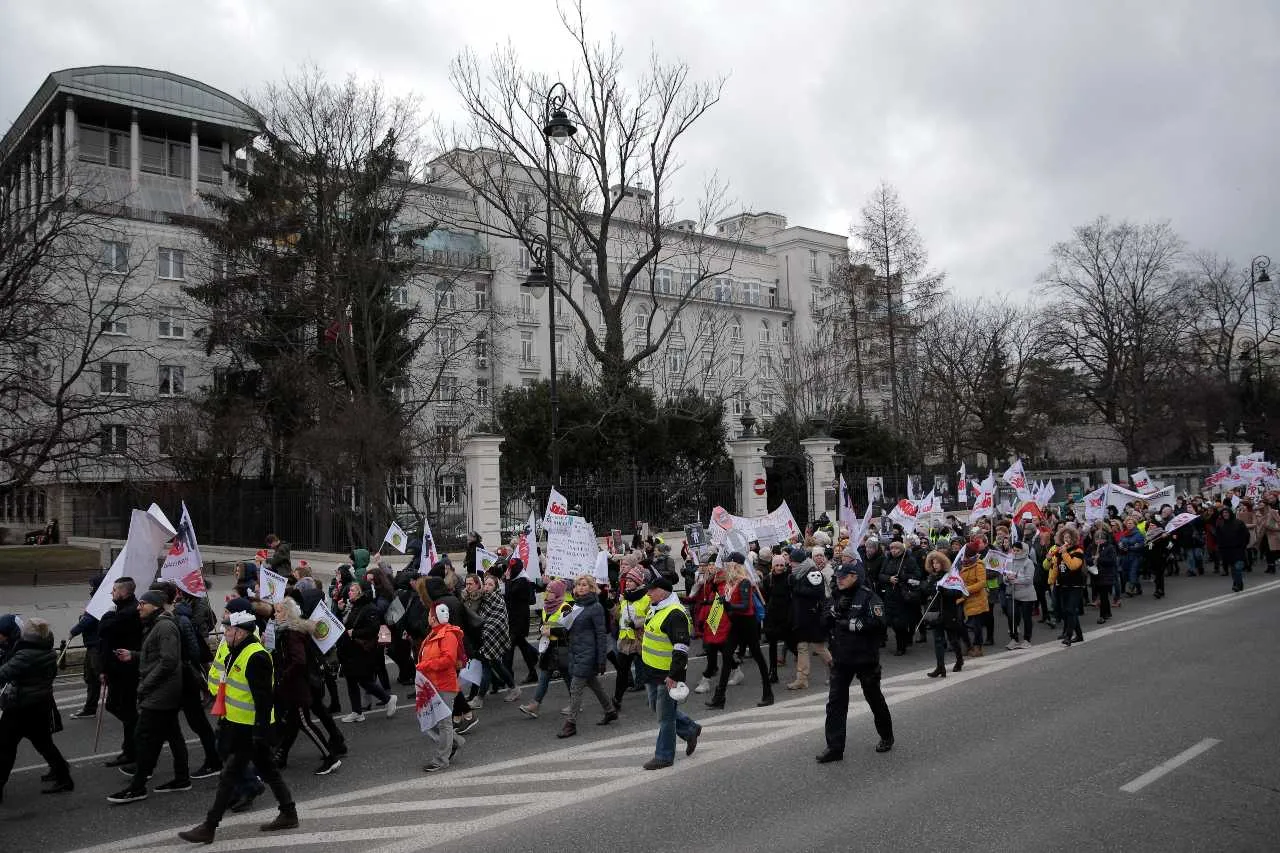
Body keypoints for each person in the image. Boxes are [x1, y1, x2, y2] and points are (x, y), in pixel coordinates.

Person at [177, 608, 297, 843]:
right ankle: (289, 812)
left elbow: (264, 699)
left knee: (229, 775)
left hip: (250, 729)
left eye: (229, 629)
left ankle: (209, 826)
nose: (225, 632)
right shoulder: (235, 650)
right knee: (269, 771)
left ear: (241, 632)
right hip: (238, 725)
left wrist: (261, 732)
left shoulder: (255, 656)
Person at [816, 560, 893, 762]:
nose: (840, 580)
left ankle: (886, 736)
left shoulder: (868, 596)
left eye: (844, 576)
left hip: (865, 657)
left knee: (874, 698)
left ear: (854, 576)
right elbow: (823, 621)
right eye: (838, 576)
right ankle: (834, 747)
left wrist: (853, 624)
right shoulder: (835, 595)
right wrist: (833, 612)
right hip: (841, 658)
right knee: (835, 703)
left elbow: (880, 622)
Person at [0, 618, 73, 801]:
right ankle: (64, 777)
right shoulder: (47, 651)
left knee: (5, 747)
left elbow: (4, 674)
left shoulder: (25, 654)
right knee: (44, 744)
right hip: (39, 705)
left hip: (20, 707)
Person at [271, 598, 342, 776]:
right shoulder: (285, 632)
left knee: (305, 723)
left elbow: (299, 661)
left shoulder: (292, 633)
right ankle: (280, 756)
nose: (275, 614)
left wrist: (283, 676)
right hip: (293, 687)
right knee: (293, 724)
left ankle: (330, 757)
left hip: (297, 688)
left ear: (287, 613)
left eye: (278, 611)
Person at [639, 569, 701, 770]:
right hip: (651, 670)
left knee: (665, 717)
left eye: (652, 590)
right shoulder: (656, 606)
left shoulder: (675, 614)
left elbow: (681, 648)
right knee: (656, 707)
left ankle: (664, 756)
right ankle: (690, 728)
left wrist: (674, 676)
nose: (648, 593)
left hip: (667, 674)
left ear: (664, 592)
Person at [705, 556, 772, 709]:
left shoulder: (744, 582)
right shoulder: (730, 583)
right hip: (735, 623)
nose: (727, 566)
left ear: (736, 565)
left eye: (729, 563)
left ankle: (768, 693)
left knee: (758, 656)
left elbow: (744, 606)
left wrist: (728, 604)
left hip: (747, 623)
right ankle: (719, 697)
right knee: (727, 656)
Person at [559, 575, 617, 737]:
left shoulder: (596, 607)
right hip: (576, 651)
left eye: (585, 585)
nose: (581, 587)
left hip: (588, 653)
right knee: (594, 684)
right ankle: (610, 710)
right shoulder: (574, 605)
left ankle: (571, 723)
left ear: (591, 587)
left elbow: (601, 634)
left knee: (575, 687)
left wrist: (601, 660)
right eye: (578, 585)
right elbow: (568, 628)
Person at [98, 576, 143, 767]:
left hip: (126, 669)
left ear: (125, 592)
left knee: (125, 709)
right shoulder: (121, 610)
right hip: (116, 668)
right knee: (115, 706)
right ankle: (133, 739)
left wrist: (107, 616)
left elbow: (104, 629)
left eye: (115, 590)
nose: (112, 593)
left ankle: (133, 746)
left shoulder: (130, 611)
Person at [337, 583, 397, 722]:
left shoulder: (369, 608)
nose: (349, 593)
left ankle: (388, 699)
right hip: (350, 650)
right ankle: (357, 711)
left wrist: (354, 632)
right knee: (352, 680)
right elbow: (346, 625)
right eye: (349, 590)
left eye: (352, 590)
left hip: (360, 651)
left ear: (360, 592)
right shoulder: (353, 606)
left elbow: (373, 629)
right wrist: (341, 611)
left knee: (363, 680)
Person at [418, 603, 466, 772]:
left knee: (443, 723)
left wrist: (426, 665)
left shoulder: (447, 635)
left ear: (434, 617)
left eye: (429, 614)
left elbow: (448, 660)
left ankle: (441, 759)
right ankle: (454, 742)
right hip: (433, 684)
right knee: (431, 722)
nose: (427, 617)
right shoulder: (436, 633)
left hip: (444, 685)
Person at [516, 579, 573, 719]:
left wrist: (552, 632)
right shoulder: (546, 607)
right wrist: (542, 629)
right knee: (544, 676)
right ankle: (535, 705)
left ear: (558, 593)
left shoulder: (566, 608)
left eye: (551, 591)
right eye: (547, 590)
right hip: (549, 648)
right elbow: (544, 623)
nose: (547, 593)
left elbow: (570, 630)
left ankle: (575, 703)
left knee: (567, 677)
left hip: (562, 648)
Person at [787, 547, 830, 690]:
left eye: (792, 561)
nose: (790, 564)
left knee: (819, 647)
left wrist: (797, 587)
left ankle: (835, 670)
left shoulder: (813, 572)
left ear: (798, 562)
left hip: (813, 616)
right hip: (801, 616)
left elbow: (817, 592)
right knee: (802, 647)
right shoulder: (798, 573)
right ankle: (802, 678)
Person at [920, 551, 965, 677]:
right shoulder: (932, 577)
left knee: (953, 639)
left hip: (949, 612)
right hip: (936, 612)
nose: (935, 565)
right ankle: (940, 667)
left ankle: (959, 659)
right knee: (938, 640)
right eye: (933, 563)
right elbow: (926, 592)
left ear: (943, 563)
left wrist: (945, 591)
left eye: (937, 562)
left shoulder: (951, 576)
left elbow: (958, 593)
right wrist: (926, 587)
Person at [67, 573, 103, 718]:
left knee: (97, 676)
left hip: (96, 645)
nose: (90, 589)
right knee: (91, 677)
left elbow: (89, 620)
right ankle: (89, 708)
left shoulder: (99, 601)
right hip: (92, 644)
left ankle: (91, 708)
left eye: (92, 586)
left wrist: (74, 631)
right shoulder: (98, 599)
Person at [760, 553, 794, 683]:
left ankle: (802, 669)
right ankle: (772, 672)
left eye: (781, 565)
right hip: (772, 617)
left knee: (791, 644)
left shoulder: (789, 578)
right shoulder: (768, 579)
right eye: (777, 565)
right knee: (772, 646)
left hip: (785, 617)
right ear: (773, 566)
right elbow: (766, 597)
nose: (779, 567)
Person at [1051, 528, 1087, 646]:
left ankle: (1068, 635)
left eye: (1069, 538)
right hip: (1063, 585)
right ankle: (1079, 635)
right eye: (1065, 538)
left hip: (1075, 585)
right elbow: (1056, 568)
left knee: (1071, 609)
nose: (1066, 540)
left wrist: (1065, 553)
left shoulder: (1078, 551)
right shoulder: (1060, 552)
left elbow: (1073, 566)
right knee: (1067, 611)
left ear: (1073, 539)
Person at [1005, 541, 1037, 648]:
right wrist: (1007, 578)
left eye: (1018, 550)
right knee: (1011, 615)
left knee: (1026, 617)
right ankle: (1014, 638)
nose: (1015, 552)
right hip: (1013, 593)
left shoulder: (1028, 562)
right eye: (1014, 550)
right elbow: (1005, 575)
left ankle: (1027, 639)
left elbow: (1029, 579)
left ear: (1024, 551)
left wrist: (1016, 579)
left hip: (1026, 594)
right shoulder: (1010, 561)